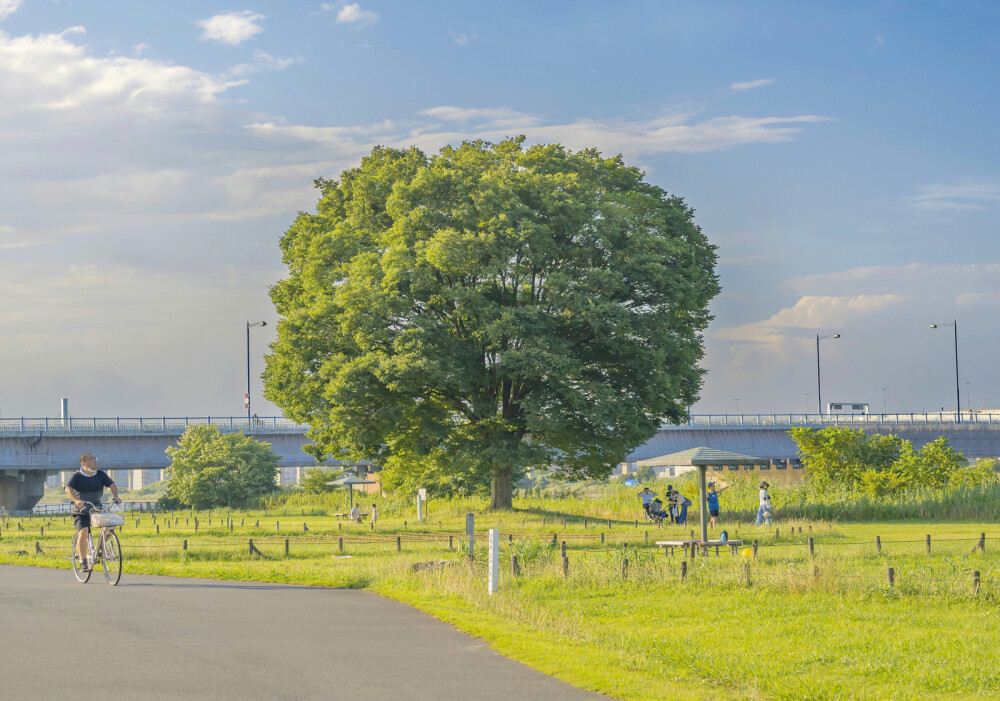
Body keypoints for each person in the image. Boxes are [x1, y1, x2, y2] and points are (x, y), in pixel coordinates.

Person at [64, 452, 120, 572]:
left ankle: (102, 548)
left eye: (95, 458)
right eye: (91, 459)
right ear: (84, 463)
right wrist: (77, 500)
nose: (95, 460)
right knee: (84, 532)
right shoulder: (77, 476)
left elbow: (112, 485)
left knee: (109, 526)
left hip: (96, 509)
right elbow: (68, 489)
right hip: (81, 511)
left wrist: (116, 497)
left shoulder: (100, 474)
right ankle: (83, 561)